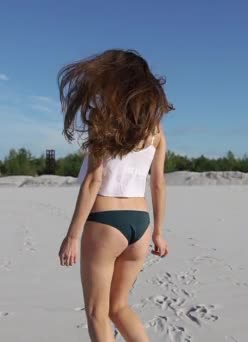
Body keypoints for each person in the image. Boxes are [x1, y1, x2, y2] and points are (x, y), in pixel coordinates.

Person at [57, 49, 173, 342]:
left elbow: (94, 180)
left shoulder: (104, 120)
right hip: (141, 225)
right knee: (118, 307)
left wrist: (73, 235)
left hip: (105, 222)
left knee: (97, 311)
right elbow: (158, 183)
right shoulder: (156, 129)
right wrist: (158, 232)